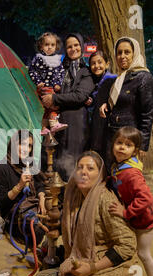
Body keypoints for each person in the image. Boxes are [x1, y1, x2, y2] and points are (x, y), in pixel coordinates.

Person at [34, 151, 138, 276]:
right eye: (80, 168)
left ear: (100, 174)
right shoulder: (75, 197)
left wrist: (92, 268)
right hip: (84, 260)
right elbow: (77, 231)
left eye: (90, 168)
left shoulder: (105, 199)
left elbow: (128, 245)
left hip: (111, 269)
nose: (83, 172)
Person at [108, 126, 153, 276]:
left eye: (128, 145)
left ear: (135, 150)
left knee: (143, 253)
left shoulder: (131, 173)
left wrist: (126, 213)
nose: (122, 147)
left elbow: (145, 199)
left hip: (146, 219)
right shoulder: (120, 166)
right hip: (139, 216)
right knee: (134, 251)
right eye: (119, 143)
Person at [41, 33, 95, 182]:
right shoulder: (59, 68)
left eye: (76, 45)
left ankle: (74, 197)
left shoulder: (87, 72)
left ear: (82, 46)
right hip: (57, 120)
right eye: (69, 46)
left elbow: (80, 96)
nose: (73, 49)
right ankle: (56, 197)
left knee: (74, 160)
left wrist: (54, 98)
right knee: (56, 158)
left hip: (77, 121)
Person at [99, 37, 153, 169]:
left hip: (129, 139)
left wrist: (142, 145)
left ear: (134, 53)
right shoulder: (121, 77)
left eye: (127, 52)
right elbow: (121, 102)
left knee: (126, 176)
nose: (122, 56)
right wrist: (107, 105)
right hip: (113, 136)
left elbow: (147, 114)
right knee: (111, 175)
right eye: (119, 53)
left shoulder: (144, 78)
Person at [0, 129, 46, 245]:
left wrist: (42, 198)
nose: (26, 149)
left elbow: (40, 184)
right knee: (36, 232)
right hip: (13, 215)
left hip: (33, 206)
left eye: (29, 145)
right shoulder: (1, 168)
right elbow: (0, 202)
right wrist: (20, 185)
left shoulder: (29, 164)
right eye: (22, 144)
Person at [28, 32, 67, 135]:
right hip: (44, 87)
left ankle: (44, 127)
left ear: (56, 46)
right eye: (47, 45)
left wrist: (58, 83)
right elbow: (32, 71)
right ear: (41, 46)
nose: (49, 47)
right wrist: (38, 81)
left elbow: (61, 73)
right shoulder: (39, 58)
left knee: (47, 109)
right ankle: (54, 124)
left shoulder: (57, 60)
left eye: (52, 45)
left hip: (53, 88)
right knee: (54, 105)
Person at [85, 50, 117, 155]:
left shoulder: (111, 79)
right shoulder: (94, 80)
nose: (96, 66)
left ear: (107, 64)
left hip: (105, 123)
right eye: (93, 63)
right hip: (96, 122)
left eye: (99, 62)